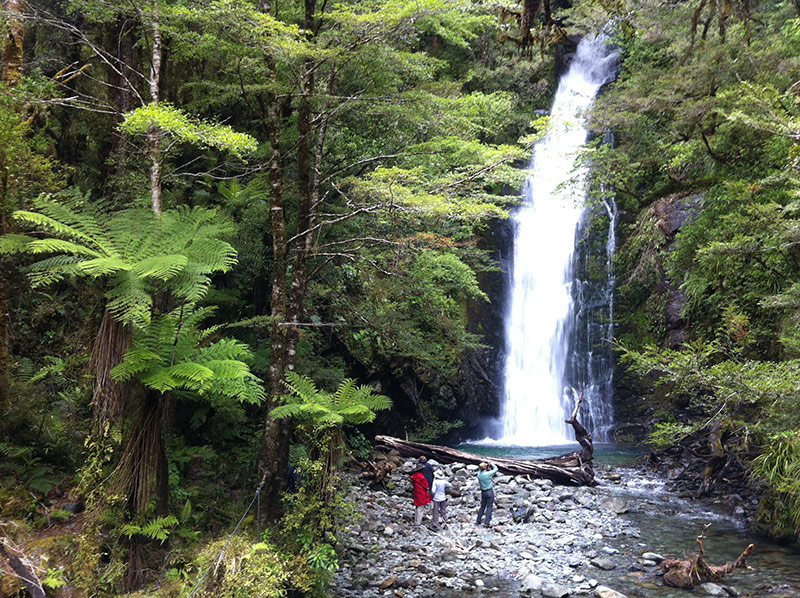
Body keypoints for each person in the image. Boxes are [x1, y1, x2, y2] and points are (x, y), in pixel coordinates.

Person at [476, 461, 499, 528]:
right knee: (489, 507)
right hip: (489, 491)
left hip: (483, 492)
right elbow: (496, 469)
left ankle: (478, 520)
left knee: (482, 506)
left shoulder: (479, 475)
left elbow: (483, 472)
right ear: (485, 467)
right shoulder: (487, 474)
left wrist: (487, 469)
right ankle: (486, 523)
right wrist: (492, 463)